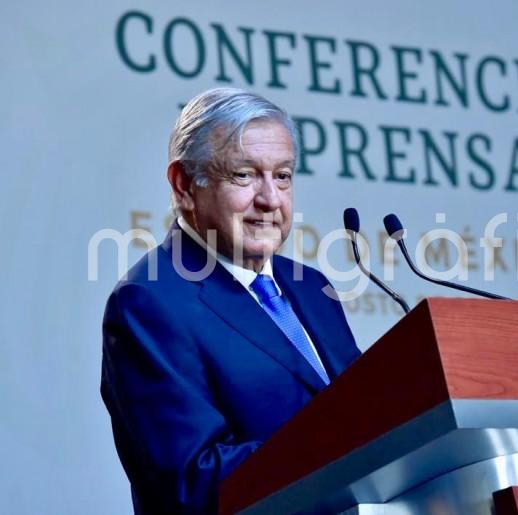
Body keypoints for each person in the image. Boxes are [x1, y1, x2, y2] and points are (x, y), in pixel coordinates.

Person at [100, 88, 360, 515]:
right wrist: (344, 448)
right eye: (244, 175)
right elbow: (192, 481)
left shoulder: (312, 288)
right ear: (185, 185)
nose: (271, 199)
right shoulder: (148, 303)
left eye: (283, 176)